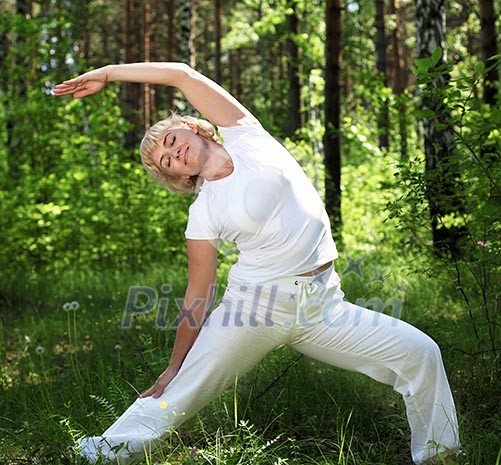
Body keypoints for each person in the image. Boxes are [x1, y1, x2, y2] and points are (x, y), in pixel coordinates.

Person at [54, 62, 460, 465]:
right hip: (255, 308)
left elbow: (182, 74)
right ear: (175, 176)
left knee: (421, 353)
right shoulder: (204, 211)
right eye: (167, 162)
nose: (174, 153)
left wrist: (109, 73)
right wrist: (176, 364)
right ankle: (91, 455)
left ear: (192, 128)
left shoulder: (248, 136)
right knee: (177, 395)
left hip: (323, 305)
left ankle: (440, 456)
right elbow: (199, 293)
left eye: (171, 140)